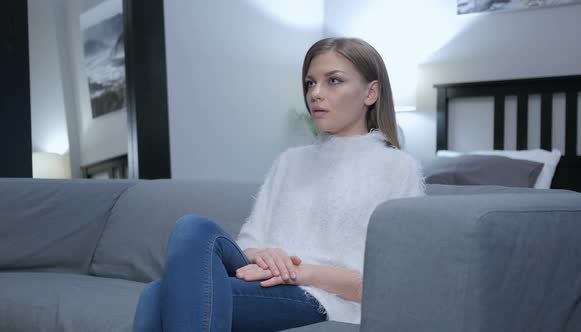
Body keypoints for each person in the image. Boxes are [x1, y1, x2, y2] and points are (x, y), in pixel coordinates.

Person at [133, 37, 425, 332]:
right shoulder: (290, 161)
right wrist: (262, 254)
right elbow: (246, 244)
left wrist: (300, 272)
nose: (316, 94)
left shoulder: (398, 169)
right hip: (262, 277)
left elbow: (389, 285)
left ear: (370, 93)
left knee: (157, 294)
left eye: (333, 81)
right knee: (191, 227)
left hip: (323, 298)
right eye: (311, 83)